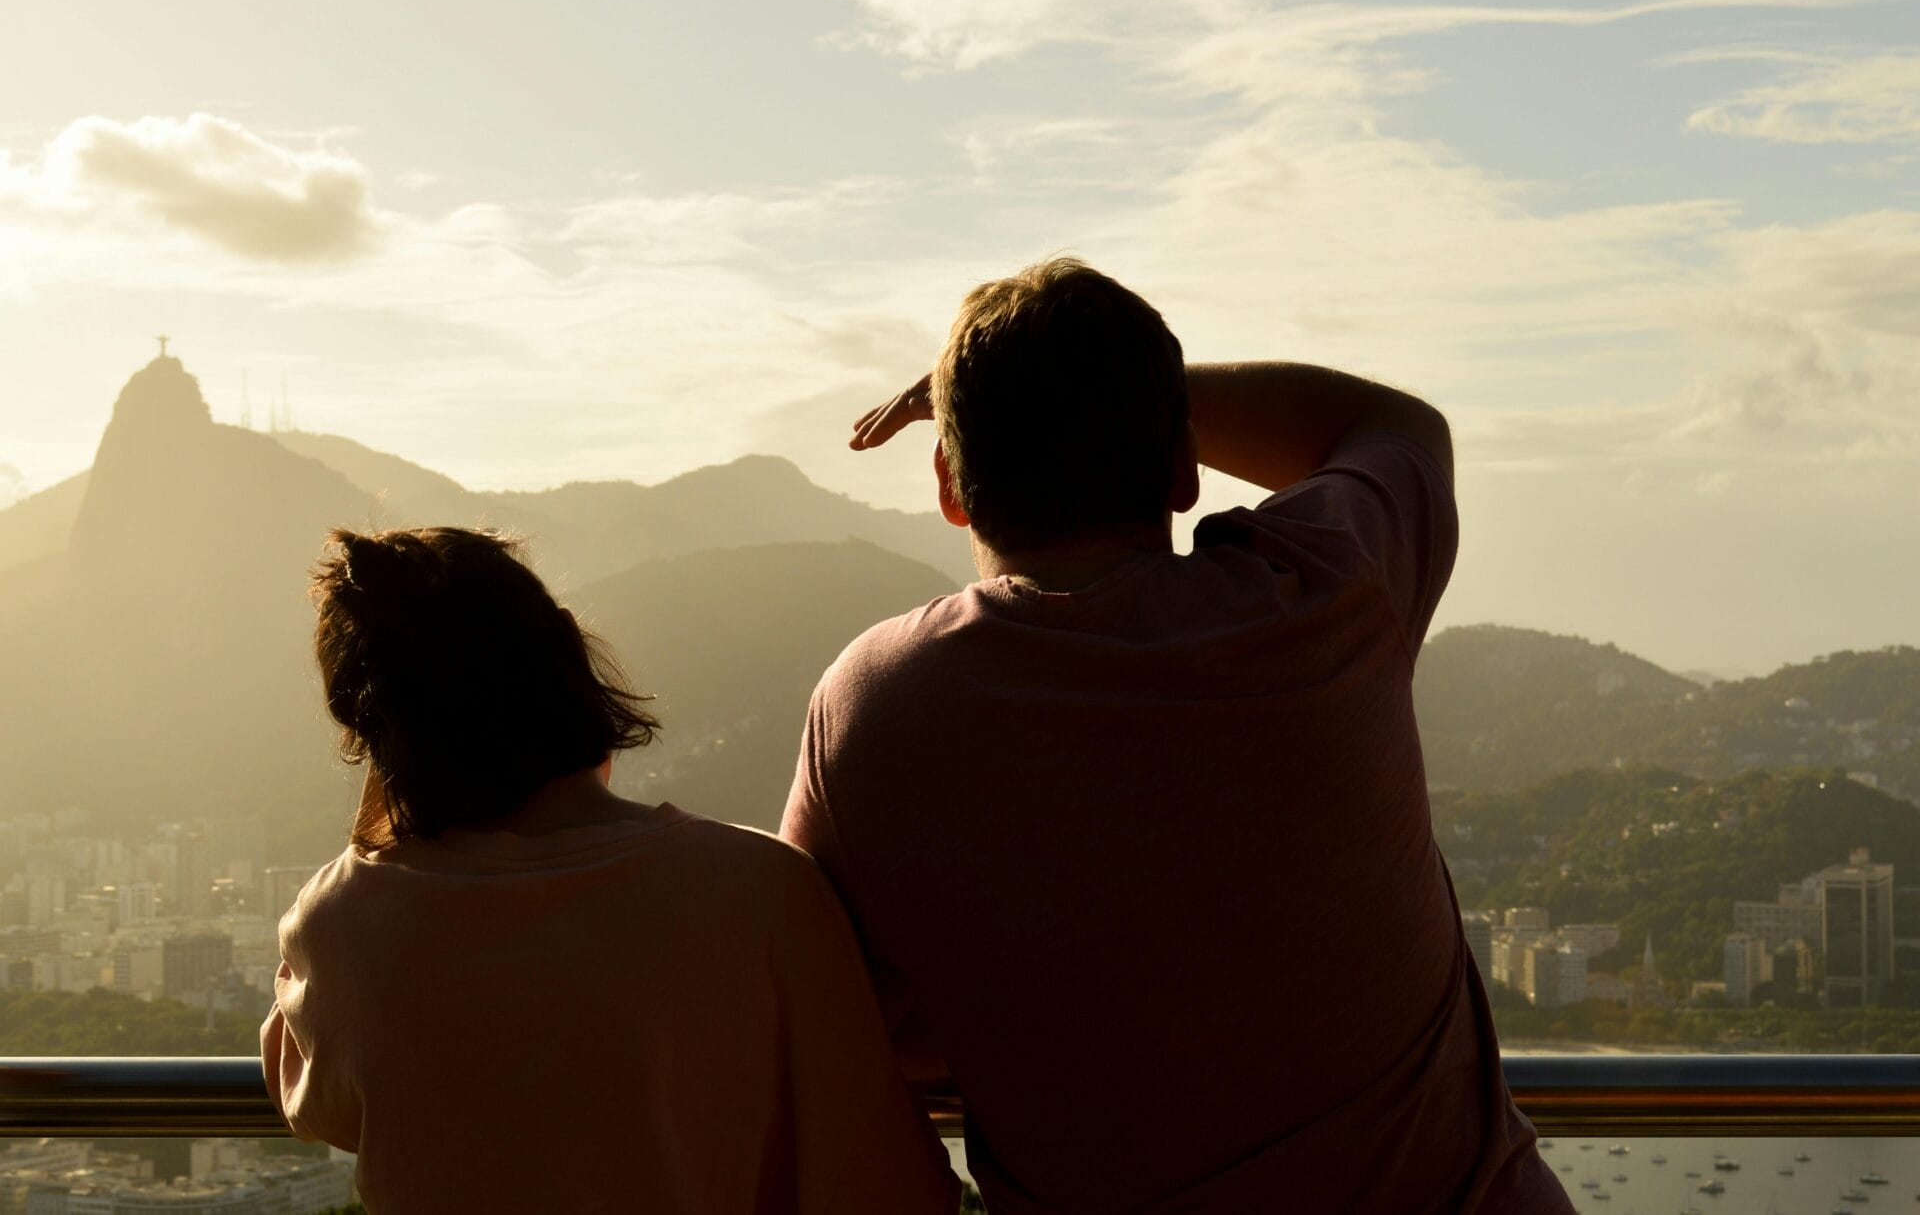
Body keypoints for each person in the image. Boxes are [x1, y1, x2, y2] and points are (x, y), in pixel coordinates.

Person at [780, 258, 1571, 1213]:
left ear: (952, 483)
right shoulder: (1322, 594)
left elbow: (827, 1013)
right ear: (1185, 466)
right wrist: (1125, 394)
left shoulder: (878, 703)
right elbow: (1398, 427)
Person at [262, 526, 957, 1214]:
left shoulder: (344, 923)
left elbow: (313, 1100)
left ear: (368, 727)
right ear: (568, 649)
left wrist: (380, 823)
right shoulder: (759, 891)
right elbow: (893, 1184)